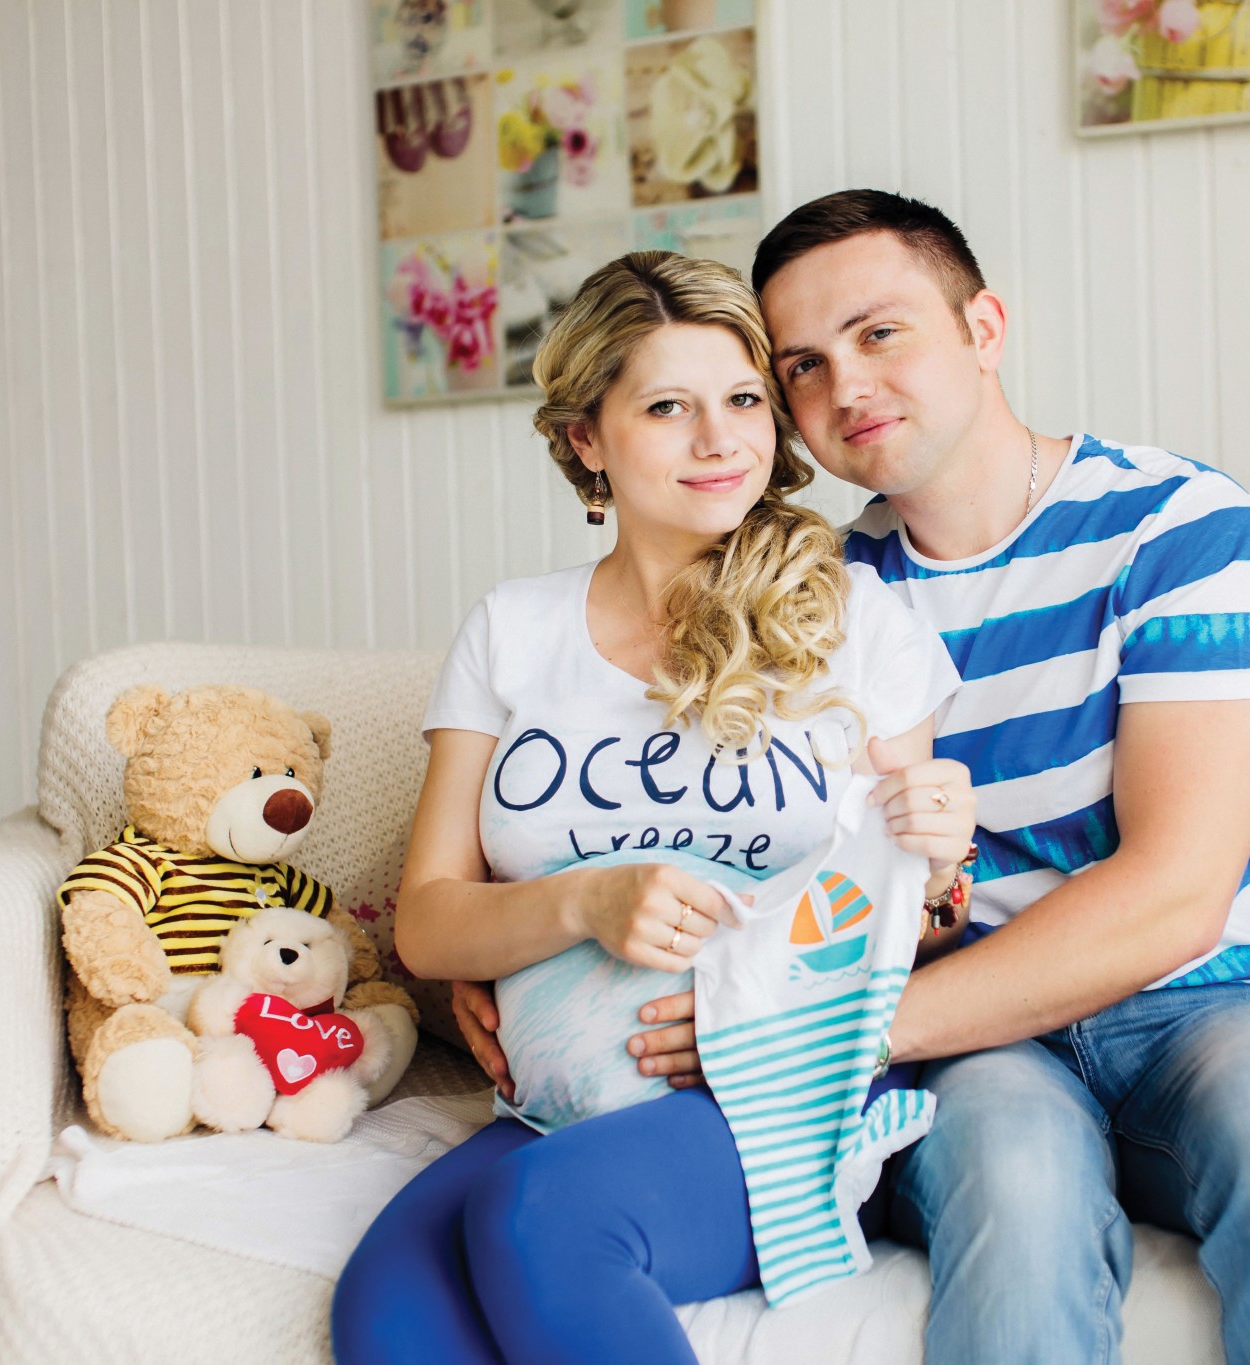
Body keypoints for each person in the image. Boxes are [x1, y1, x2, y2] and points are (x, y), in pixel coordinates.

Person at [450, 192, 1250, 1365]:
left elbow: (1174, 894)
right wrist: (520, 968)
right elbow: (664, 828)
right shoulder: (805, 596)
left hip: (1207, 1003)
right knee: (1016, 1189)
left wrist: (805, 1034)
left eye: (879, 332)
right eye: (802, 364)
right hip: (972, 1047)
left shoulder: (1177, 527)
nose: (845, 384)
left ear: (982, 328)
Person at [332, 250, 978, 1364]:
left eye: (743, 401)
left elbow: (912, 928)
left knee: (541, 1218)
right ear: (586, 437)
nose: (720, 440)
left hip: (776, 1101)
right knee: (385, 1312)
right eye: (668, 408)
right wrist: (584, 903)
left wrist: (941, 870)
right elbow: (428, 922)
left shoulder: (855, 622)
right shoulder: (512, 631)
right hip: (557, 1108)